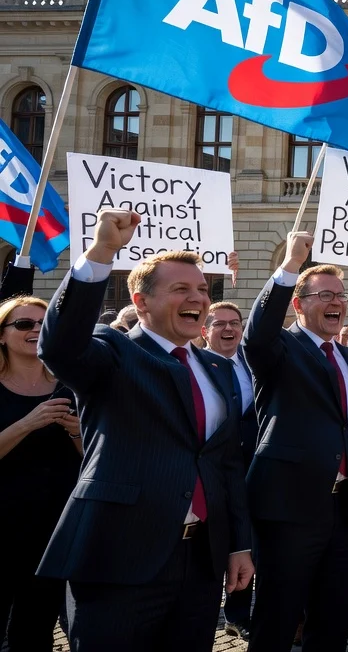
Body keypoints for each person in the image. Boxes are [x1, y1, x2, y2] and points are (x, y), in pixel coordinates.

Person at [37, 209, 253, 650]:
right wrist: (100, 253)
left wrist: (237, 544)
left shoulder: (217, 368)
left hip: (199, 563)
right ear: (141, 302)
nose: (199, 298)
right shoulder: (114, 350)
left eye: (201, 289)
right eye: (180, 289)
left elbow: (225, 465)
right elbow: (60, 345)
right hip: (120, 555)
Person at [242, 231, 348, 652]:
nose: (337, 302)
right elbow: (258, 336)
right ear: (298, 304)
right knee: (278, 615)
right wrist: (289, 266)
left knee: (334, 612)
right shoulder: (280, 349)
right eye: (324, 294)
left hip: (343, 507)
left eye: (341, 295)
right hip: (288, 505)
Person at [0, 295, 80, 651]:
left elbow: (95, 458)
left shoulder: (72, 385)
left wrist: (78, 433)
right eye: (23, 324)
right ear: (2, 334)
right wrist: (27, 424)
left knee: (35, 629)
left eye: (41, 323)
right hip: (3, 525)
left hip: (53, 528)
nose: (34, 330)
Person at [203, 301, 259, 641]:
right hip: (213, 470)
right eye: (219, 323)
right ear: (204, 330)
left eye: (234, 322)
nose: (228, 329)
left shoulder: (252, 364)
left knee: (247, 540)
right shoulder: (197, 366)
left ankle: (239, 612)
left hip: (253, 465)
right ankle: (219, 611)